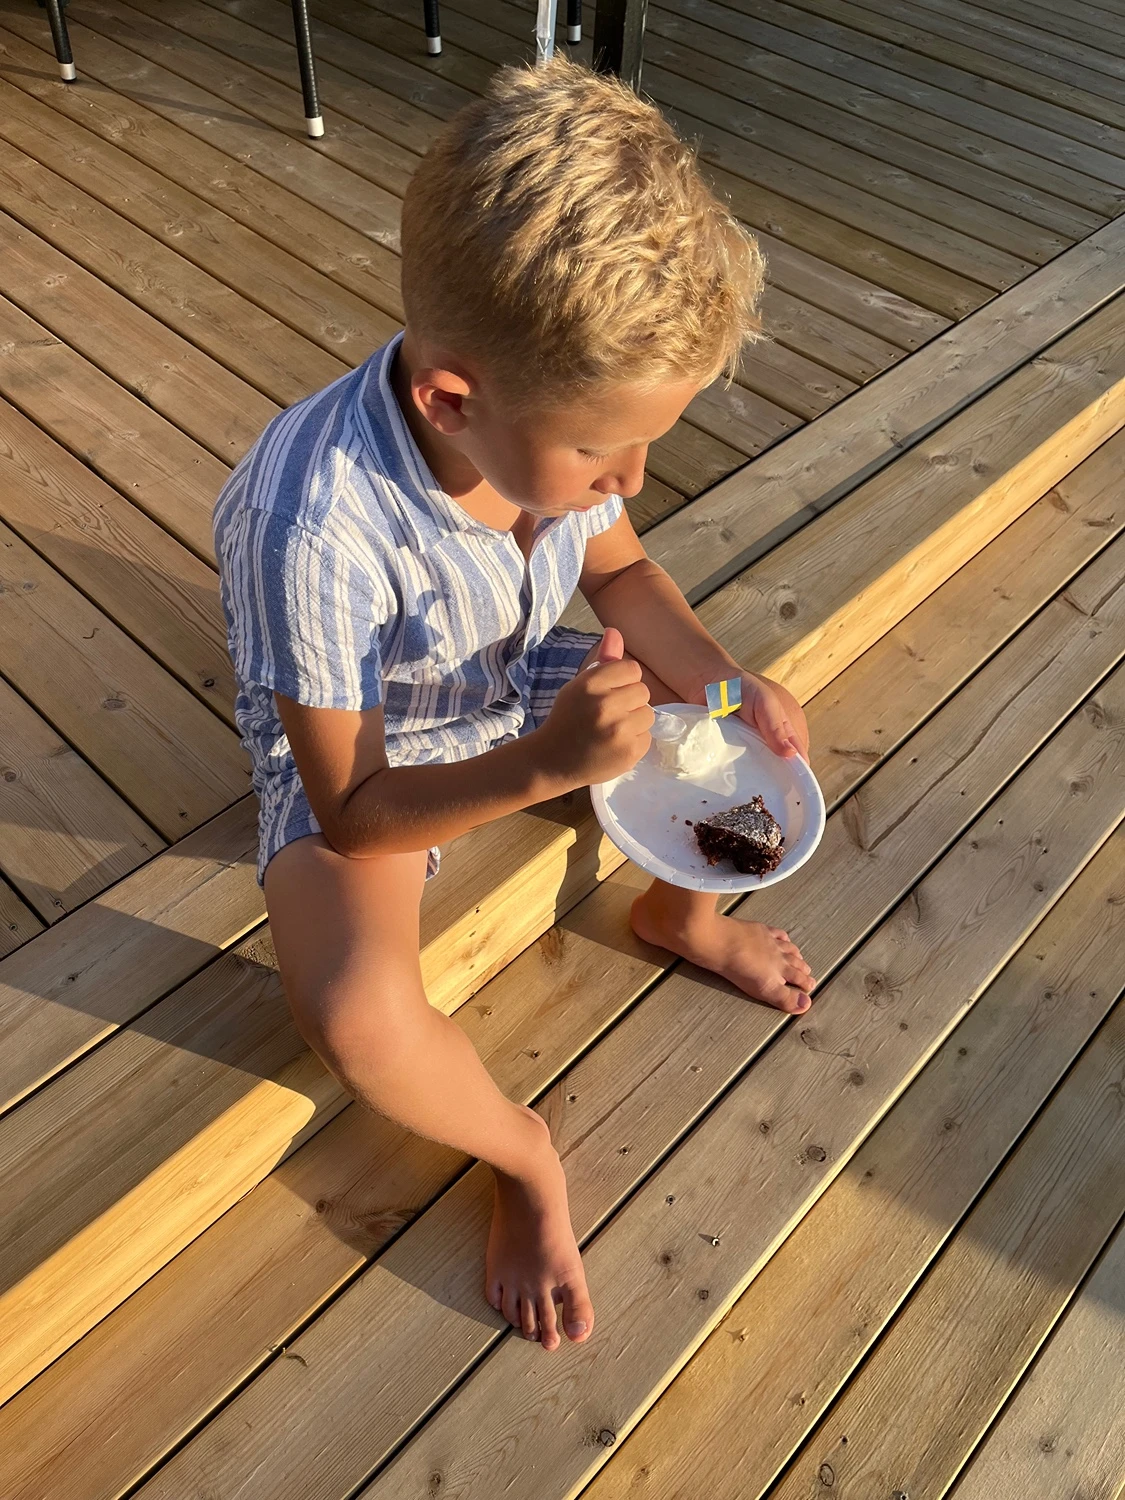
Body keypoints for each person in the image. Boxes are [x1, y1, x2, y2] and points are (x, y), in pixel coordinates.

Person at [214, 56, 815, 1356]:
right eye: (604, 452)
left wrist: (722, 686)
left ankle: (680, 913)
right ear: (452, 400)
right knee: (357, 1015)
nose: (632, 479)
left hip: (512, 677)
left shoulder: (541, 424)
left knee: (736, 738)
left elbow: (626, 576)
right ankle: (521, 1154)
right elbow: (354, 811)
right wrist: (549, 763)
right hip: (375, 751)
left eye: (648, 444)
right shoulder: (312, 525)